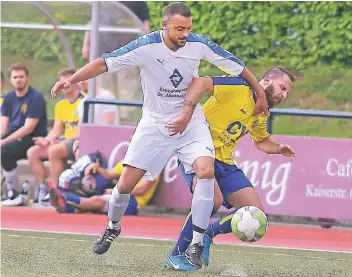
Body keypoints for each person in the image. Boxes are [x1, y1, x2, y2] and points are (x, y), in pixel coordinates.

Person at [51, 2, 269, 269]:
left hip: (191, 123)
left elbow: (238, 67)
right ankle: (112, 225)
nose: (185, 33)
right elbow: (105, 63)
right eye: (179, 28)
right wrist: (72, 80)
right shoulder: (146, 46)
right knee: (125, 186)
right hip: (154, 125)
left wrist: (259, 92)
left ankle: (196, 243)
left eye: (188, 28)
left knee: (205, 170)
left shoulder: (198, 44)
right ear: (164, 26)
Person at [165, 66, 296, 271]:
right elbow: (201, 83)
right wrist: (186, 113)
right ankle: (178, 254)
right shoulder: (238, 87)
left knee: (256, 213)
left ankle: (208, 232)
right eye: (282, 87)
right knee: (212, 200)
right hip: (197, 152)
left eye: (287, 91)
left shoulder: (262, 111)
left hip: (225, 163)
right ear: (267, 80)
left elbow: (261, 141)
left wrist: (278, 148)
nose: (284, 95)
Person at [82, 1, 151, 123]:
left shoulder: (138, 2)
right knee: (103, 89)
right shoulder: (102, 2)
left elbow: (144, 26)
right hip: (101, 54)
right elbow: (92, 22)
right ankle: (103, 122)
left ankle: (125, 122)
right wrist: (86, 45)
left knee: (127, 90)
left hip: (127, 54)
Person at [26, 68, 85, 206]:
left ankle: (56, 191)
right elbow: (56, 130)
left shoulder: (84, 102)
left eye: (66, 82)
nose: (62, 85)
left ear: (75, 82)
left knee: (54, 150)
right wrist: (46, 140)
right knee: (33, 152)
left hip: (76, 142)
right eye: (60, 81)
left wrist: (61, 141)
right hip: (64, 142)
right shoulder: (60, 104)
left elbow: (83, 132)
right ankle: (43, 189)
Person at [1, 63, 47, 204]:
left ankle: (13, 192)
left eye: (21, 76)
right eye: (15, 77)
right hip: (14, 138)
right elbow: (3, 127)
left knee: (5, 151)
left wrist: (3, 141)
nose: (18, 80)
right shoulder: (8, 98)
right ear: (10, 80)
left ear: (27, 78)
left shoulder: (36, 97)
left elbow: (28, 128)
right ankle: (12, 192)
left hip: (33, 138)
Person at [56, 160, 160, 215]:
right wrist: (97, 167)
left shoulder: (153, 165)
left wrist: (116, 191)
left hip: (134, 203)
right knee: (97, 199)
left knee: (99, 200)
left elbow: (142, 189)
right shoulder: (129, 160)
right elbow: (109, 174)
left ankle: (66, 200)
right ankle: (69, 206)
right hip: (121, 196)